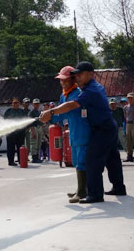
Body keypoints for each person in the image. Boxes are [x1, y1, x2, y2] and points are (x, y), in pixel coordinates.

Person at [40, 61, 126, 203]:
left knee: (91, 161)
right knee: (112, 159)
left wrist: (51, 112)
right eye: (76, 75)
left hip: (100, 128)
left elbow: (72, 106)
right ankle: (119, 187)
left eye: (78, 75)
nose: (77, 78)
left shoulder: (87, 92)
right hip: (106, 126)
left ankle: (94, 194)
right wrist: (52, 117)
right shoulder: (90, 88)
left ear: (90, 74)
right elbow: (65, 111)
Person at [48, 66, 91, 203]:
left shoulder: (78, 94)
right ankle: (82, 189)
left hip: (83, 131)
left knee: (82, 162)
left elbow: (66, 110)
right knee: (77, 161)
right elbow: (60, 115)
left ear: (73, 79)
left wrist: (52, 114)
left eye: (65, 80)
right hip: (73, 131)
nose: (63, 83)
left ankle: (83, 191)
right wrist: (49, 118)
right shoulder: (64, 95)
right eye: (61, 80)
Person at [4, 97, 27, 166]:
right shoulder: (8, 111)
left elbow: (25, 121)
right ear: (12, 104)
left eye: (17, 103)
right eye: (14, 103)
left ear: (19, 104)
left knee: (20, 147)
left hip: (20, 133)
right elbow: (5, 121)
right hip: (11, 133)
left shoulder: (22, 111)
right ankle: (11, 161)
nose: (15, 104)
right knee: (10, 148)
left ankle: (21, 160)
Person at [28, 99, 44, 163]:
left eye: (37, 104)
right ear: (33, 104)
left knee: (39, 143)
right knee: (34, 143)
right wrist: (33, 130)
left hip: (40, 128)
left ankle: (37, 157)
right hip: (34, 128)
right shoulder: (31, 113)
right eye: (35, 104)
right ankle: (34, 157)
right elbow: (30, 122)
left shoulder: (39, 112)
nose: (37, 105)